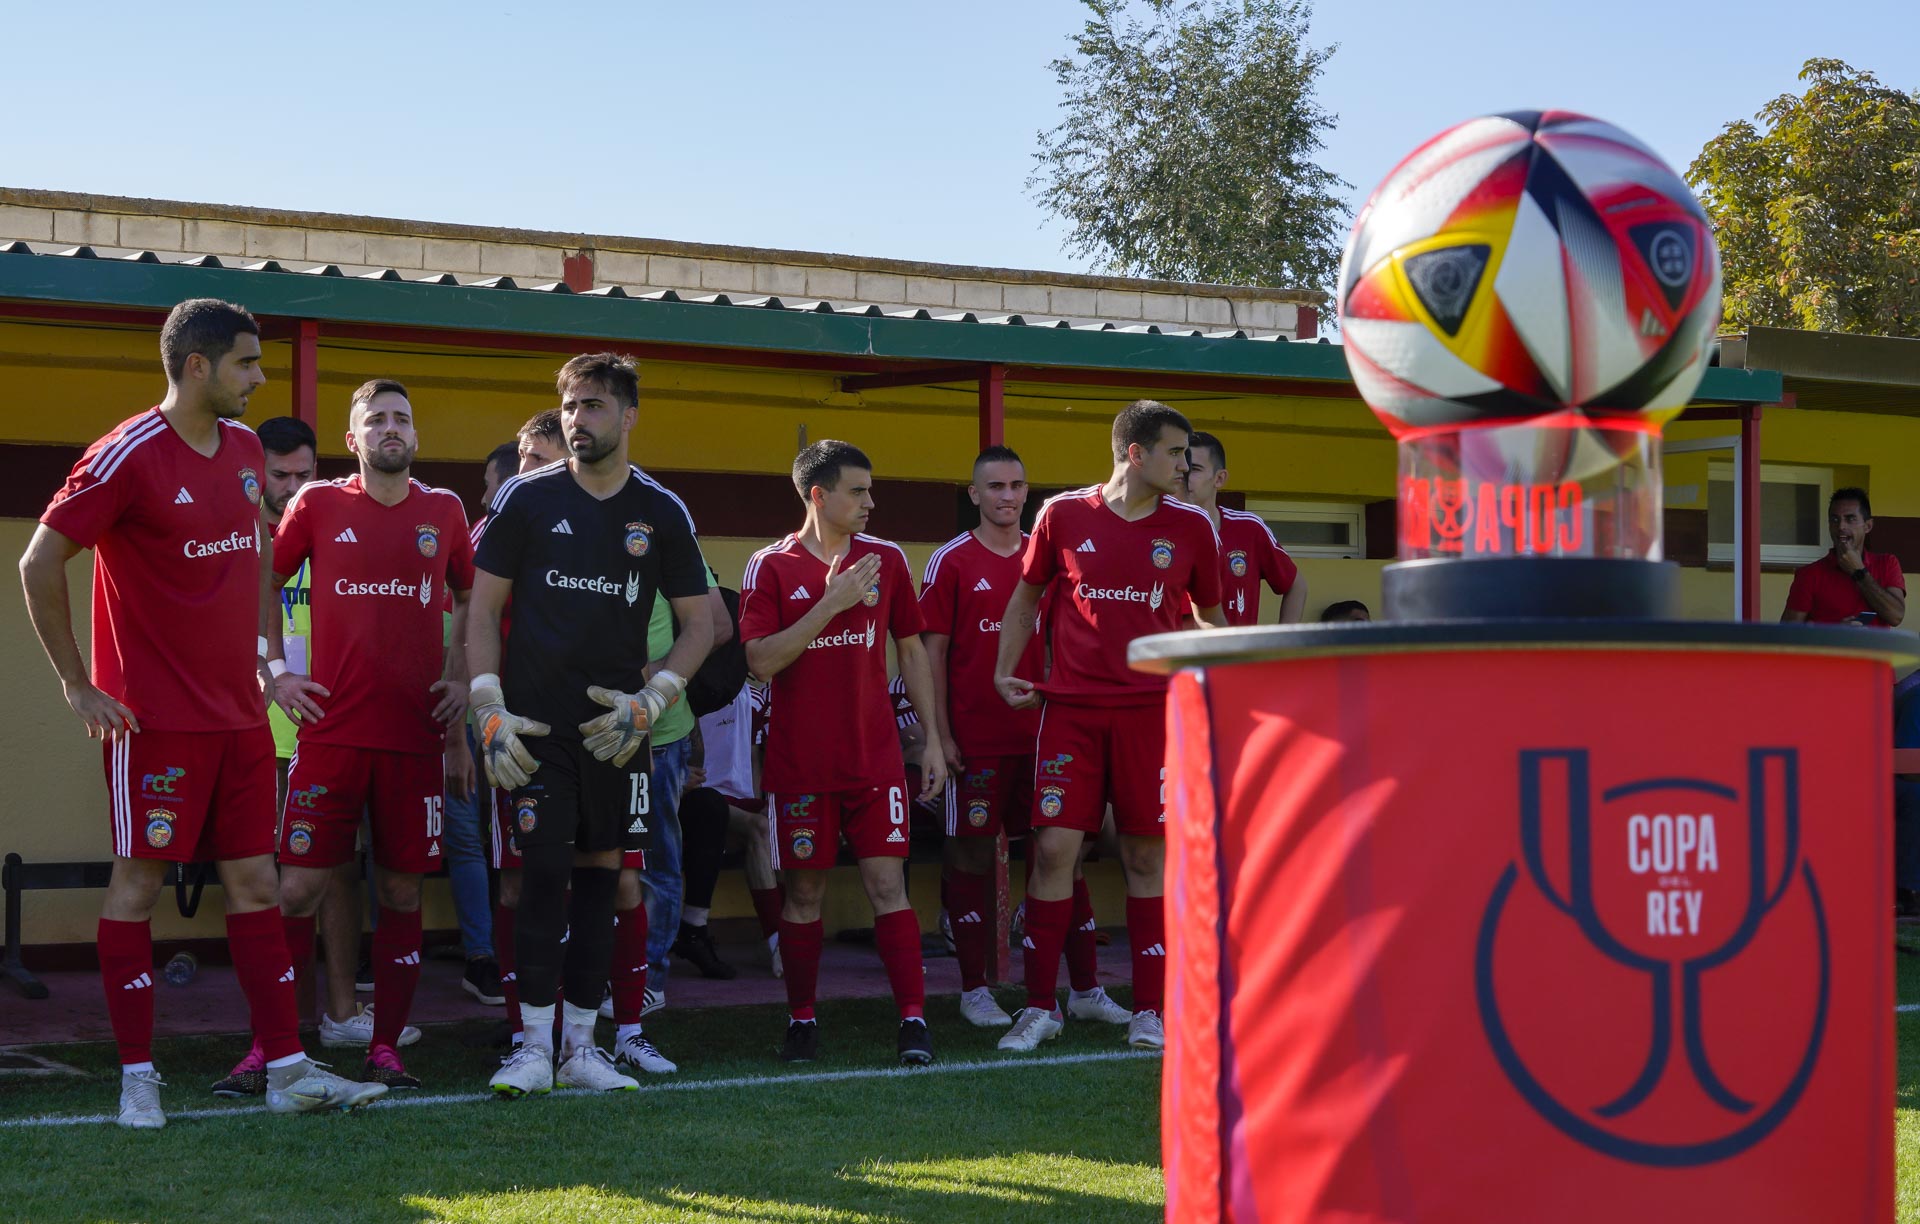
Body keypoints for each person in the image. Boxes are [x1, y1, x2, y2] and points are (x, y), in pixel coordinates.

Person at [18, 298, 386, 1126]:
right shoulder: (126, 456)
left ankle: (288, 1069)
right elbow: (39, 561)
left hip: (239, 720)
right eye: (248, 364)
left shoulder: (249, 450)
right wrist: (76, 683)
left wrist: (265, 661)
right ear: (197, 366)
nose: (259, 378)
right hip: (154, 723)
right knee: (139, 884)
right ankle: (138, 1080)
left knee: (256, 882)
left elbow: (256, 558)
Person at [469, 353, 713, 1098]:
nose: (580, 419)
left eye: (597, 405)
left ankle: (581, 1050)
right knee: (541, 876)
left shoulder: (663, 511)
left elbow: (704, 625)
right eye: (572, 406)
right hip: (534, 731)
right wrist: (486, 707)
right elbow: (480, 610)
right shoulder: (524, 499)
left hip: (618, 734)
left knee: (604, 882)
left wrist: (655, 697)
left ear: (630, 416)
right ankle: (531, 1049)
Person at [993, 400, 1226, 1053]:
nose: (1186, 465)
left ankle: (1150, 1010)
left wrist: (1222, 689)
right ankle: (1041, 1007)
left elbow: (1209, 619)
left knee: (1147, 856)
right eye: (1177, 453)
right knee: (1054, 853)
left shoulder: (1190, 527)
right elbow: (1027, 599)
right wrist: (1003, 670)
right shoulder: (1063, 515)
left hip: (1152, 716)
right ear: (1136, 453)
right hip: (1069, 712)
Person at [262, 379, 475, 1090]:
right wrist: (274, 673)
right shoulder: (316, 503)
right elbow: (265, 579)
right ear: (353, 441)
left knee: (402, 892)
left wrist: (461, 673)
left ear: (414, 437)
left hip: (413, 736)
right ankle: (279, 1043)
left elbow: (475, 594)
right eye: (376, 420)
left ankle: (385, 1045)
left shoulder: (444, 512)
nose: (391, 429)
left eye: (401, 420)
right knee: (296, 890)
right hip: (330, 735)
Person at [740, 440, 947, 1065]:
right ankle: (802, 1020)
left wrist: (932, 739)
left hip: (875, 759)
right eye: (857, 491)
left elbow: (911, 649)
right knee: (803, 897)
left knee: (890, 885)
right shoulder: (770, 567)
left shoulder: (886, 560)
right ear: (818, 495)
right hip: (801, 762)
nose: (870, 502)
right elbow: (760, 660)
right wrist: (831, 603)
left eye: (870, 489)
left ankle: (913, 1022)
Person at [920, 445, 1128, 1029]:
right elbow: (930, 654)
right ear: (974, 495)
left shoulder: (1055, 559)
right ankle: (973, 988)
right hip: (978, 742)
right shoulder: (951, 561)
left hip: (1049, 740)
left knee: (1062, 860)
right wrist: (940, 734)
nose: (1008, 497)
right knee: (969, 854)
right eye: (995, 487)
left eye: (1016, 486)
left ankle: (1085, 988)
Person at [1182, 431, 1304, 626]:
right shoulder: (1159, 531)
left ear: (1219, 478)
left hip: (1237, 655)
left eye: (1195, 469)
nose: (1185, 476)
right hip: (1178, 654)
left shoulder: (1249, 528)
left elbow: (1296, 585)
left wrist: (1284, 644)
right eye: (1181, 469)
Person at [1782, 488, 1906, 627]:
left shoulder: (1887, 563)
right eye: (1834, 519)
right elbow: (1787, 635)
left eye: (1850, 519)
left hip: (1876, 649)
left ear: (1868, 526)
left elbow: (1896, 616)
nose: (1841, 526)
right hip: (1831, 649)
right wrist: (1836, 633)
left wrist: (1858, 571)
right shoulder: (1809, 574)